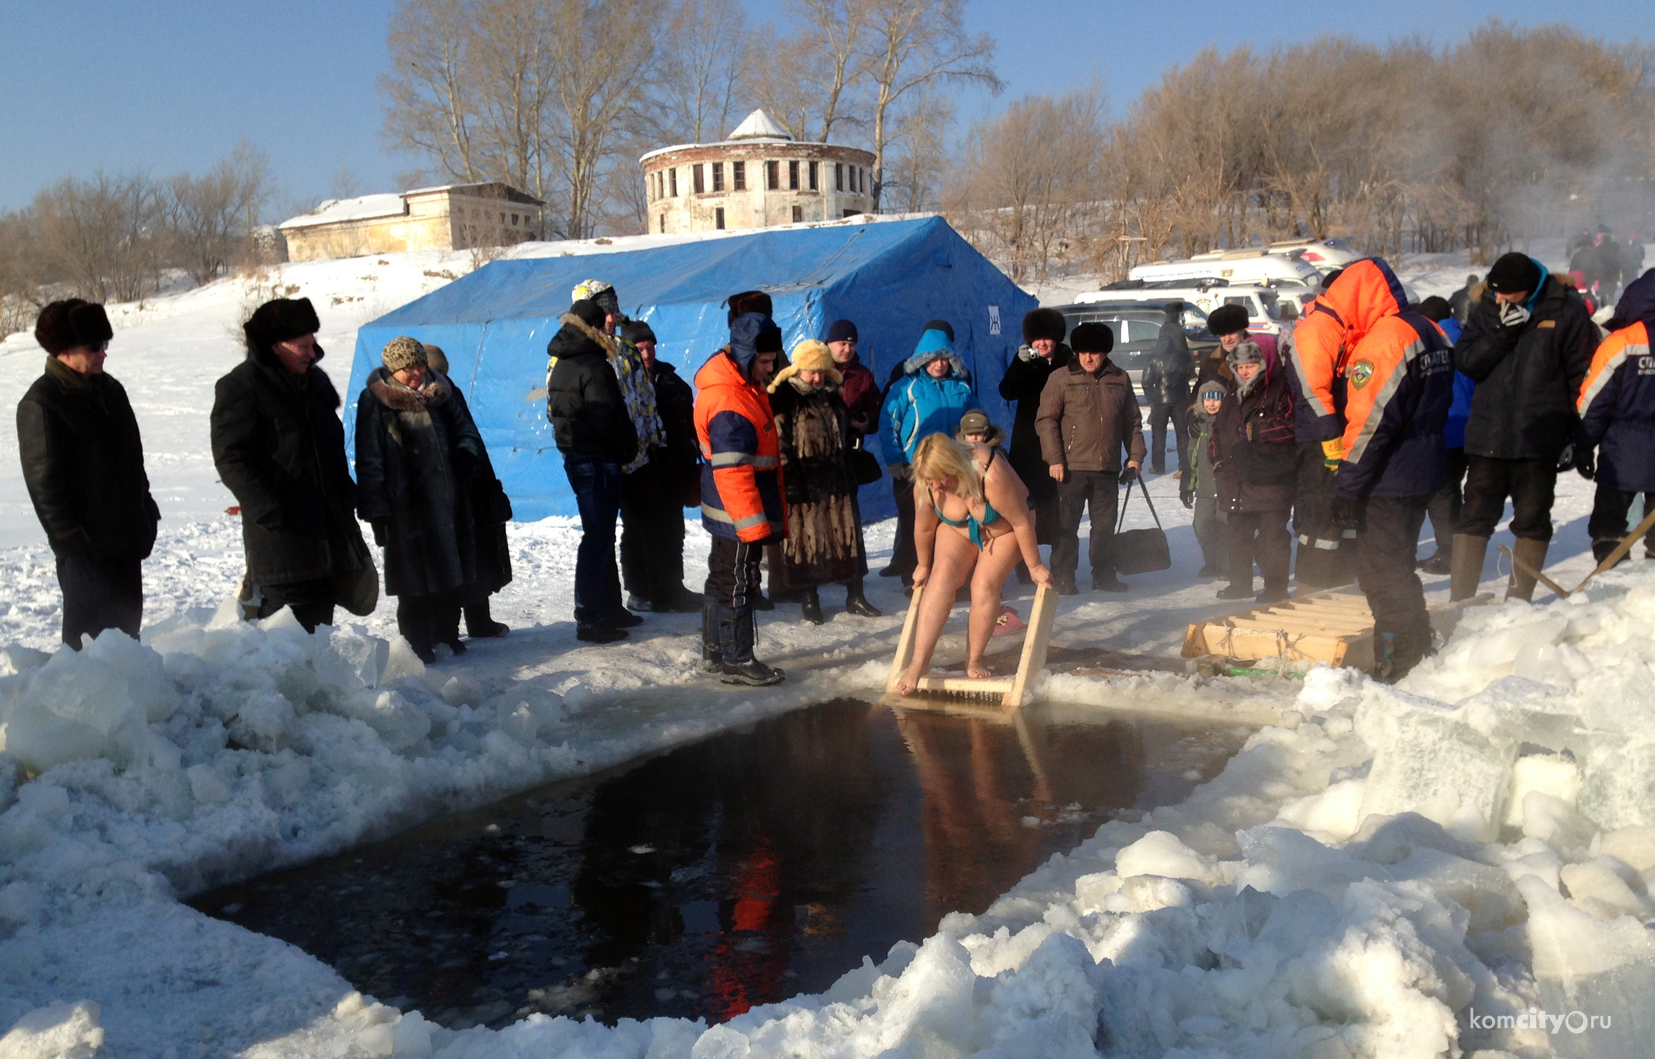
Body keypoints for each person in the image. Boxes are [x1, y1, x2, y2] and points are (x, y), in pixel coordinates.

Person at [1325, 266, 1455, 682]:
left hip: (1389, 478)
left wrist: (1347, 487)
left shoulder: (1383, 342)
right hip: (1425, 467)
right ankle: (1419, 646)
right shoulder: (1431, 329)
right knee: (1399, 566)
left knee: (1382, 574)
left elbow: (1369, 425)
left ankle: (1395, 662)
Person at [212, 297, 370, 633]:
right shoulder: (242, 387)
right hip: (282, 540)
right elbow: (231, 456)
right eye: (302, 346)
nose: (313, 353)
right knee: (284, 637)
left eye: (313, 343)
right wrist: (267, 508)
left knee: (319, 629)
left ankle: (317, 687)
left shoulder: (313, 384)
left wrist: (345, 493)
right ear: (274, 347)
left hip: (326, 534)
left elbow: (329, 451)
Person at [1450, 252, 1596, 602]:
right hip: (1489, 435)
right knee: (1475, 517)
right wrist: (1501, 333)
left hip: (1539, 436)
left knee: (1532, 518)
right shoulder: (1486, 307)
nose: (1498, 298)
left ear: (1527, 289)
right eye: (1495, 292)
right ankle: (1460, 601)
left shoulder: (1565, 309)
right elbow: (1467, 362)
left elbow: (1583, 378)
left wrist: (1581, 438)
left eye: (1507, 294)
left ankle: (1517, 603)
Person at [18, 299, 160, 647]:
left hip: (126, 541)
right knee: (88, 652)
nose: (103, 354)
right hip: (87, 551)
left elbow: (132, 462)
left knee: (126, 643)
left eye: (105, 344)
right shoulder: (42, 402)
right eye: (94, 346)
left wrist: (146, 512)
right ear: (64, 350)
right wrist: (71, 540)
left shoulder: (111, 391)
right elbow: (44, 484)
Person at [355, 338, 486, 662]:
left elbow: (466, 430)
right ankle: (417, 643)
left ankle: (447, 634)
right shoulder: (377, 402)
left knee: (451, 573)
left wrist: (466, 453)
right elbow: (369, 458)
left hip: (449, 500)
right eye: (407, 369)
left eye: (419, 365)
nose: (416, 373)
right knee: (413, 581)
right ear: (393, 370)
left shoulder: (441, 391)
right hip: (405, 506)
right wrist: (378, 508)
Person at [894, 434, 1054, 695]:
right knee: (940, 579)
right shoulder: (927, 485)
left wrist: (1035, 566)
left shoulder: (988, 472)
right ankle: (918, 663)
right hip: (959, 530)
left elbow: (1021, 521)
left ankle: (974, 659)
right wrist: (923, 565)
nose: (935, 486)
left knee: (984, 583)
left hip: (1005, 530)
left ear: (953, 466)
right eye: (928, 480)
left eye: (939, 478)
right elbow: (923, 530)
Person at [696, 312, 789, 685]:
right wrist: (752, 527)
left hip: (728, 507)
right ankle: (738, 659)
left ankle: (715, 650)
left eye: (771, 361)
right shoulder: (730, 401)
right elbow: (733, 471)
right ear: (746, 355)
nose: (769, 370)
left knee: (721, 576)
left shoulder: (738, 386)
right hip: (738, 509)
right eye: (764, 362)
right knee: (738, 579)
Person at [571, 279, 665, 620]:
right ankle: (600, 606)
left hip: (636, 455)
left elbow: (644, 398)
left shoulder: (624, 350)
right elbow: (567, 410)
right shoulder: (576, 355)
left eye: (612, 310)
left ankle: (638, 593)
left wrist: (655, 438)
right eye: (603, 311)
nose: (610, 318)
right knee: (602, 533)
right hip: (603, 456)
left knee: (642, 524)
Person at [767, 339, 880, 624]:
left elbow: (841, 429)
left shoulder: (832, 393)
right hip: (805, 481)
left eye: (821, 370)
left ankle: (856, 595)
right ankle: (809, 599)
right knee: (808, 540)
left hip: (838, 480)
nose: (817, 377)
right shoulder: (785, 396)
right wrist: (789, 477)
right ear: (798, 369)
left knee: (848, 537)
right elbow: (780, 442)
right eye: (810, 371)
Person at [546, 299, 639, 643]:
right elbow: (607, 417)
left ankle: (607, 608)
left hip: (578, 456)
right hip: (598, 458)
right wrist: (628, 445)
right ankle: (589, 615)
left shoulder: (563, 363)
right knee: (597, 538)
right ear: (594, 328)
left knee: (600, 536)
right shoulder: (592, 364)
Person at [1034, 321, 1145, 594]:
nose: (1088, 357)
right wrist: (1055, 459)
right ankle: (1063, 577)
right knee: (1065, 527)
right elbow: (1046, 420)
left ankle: (1104, 576)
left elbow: (1132, 421)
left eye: (1094, 352)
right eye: (1083, 352)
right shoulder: (1061, 378)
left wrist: (1135, 457)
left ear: (1105, 352)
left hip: (1106, 468)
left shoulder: (1120, 378)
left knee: (1104, 528)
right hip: (1070, 469)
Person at [420, 343, 512, 638]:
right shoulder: (423, 400)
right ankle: (447, 628)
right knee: (458, 557)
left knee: (479, 552)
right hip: (453, 488)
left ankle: (479, 619)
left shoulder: (450, 392)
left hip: (473, 482)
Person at [615, 320, 701, 613]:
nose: (648, 353)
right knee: (637, 531)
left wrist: (691, 448)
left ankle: (672, 587)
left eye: (651, 346)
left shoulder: (672, 381)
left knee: (672, 530)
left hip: (673, 469)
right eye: (640, 348)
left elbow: (688, 420)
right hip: (638, 470)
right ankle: (640, 591)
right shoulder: (621, 382)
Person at [880, 321, 972, 587]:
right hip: (914, 468)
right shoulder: (905, 387)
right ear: (922, 359)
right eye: (933, 358)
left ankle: (952, 578)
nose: (939, 364)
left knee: (953, 524)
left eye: (944, 358)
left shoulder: (962, 388)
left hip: (953, 469)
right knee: (916, 526)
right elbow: (889, 424)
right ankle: (915, 580)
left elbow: (975, 420)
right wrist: (896, 460)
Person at [1576, 269, 1655, 564]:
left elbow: (1595, 401)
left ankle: (1613, 584)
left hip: (1623, 455)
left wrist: (1583, 444)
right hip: (1628, 450)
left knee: (1609, 526)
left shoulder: (1621, 342)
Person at [1212, 340, 1296, 603]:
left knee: (1272, 538)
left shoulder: (1280, 389)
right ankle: (1240, 584)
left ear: (1263, 364)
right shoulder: (1231, 391)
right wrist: (1216, 460)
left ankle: (1275, 587)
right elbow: (1217, 430)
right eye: (1240, 366)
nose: (1245, 371)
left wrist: (1255, 431)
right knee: (1237, 536)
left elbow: (1292, 426)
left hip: (1270, 478)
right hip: (1235, 478)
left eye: (1251, 366)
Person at [999, 308, 1072, 568]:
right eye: (1036, 339)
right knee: (1026, 504)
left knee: (1059, 506)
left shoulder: (1068, 360)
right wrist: (1021, 364)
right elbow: (1007, 391)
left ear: (1057, 338)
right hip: (1027, 444)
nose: (1042, 344)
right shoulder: (1026, 360)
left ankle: (1061, 564)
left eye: (1047, 338)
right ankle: (1023, 562)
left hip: (1060, 442)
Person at [1414, 297, 1473, 576]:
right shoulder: (1469, 339)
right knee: (1452, 492)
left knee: (1441, 495)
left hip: (1443, 427)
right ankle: (1450, 550)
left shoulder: (1429, 342)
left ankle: (1451, 555)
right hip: (1469, 429)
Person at [1179, 379, 1229, 578]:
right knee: (1201, 526)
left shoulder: (1228, 424)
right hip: (1205, 489)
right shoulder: (1197, 426)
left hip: (1226, 488)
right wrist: (1187, 486)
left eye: (1217, 399)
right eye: (1207, 399)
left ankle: (1226, 566)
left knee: (1225, 529)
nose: (1212, 403)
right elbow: (1191, 459)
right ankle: (1211, 562)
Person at [1140, 302, 1195, 475]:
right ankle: (1184, 467)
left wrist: (1152, 398)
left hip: (1161, 400)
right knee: (1182, 434)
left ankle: (1158, 466)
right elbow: (1190, 372)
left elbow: (1146, 381)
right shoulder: (1182, 347)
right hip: (1180, 397)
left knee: (1158, 434)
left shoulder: (1155, 357)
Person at [826, 319, 880, 440]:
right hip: (819, 447)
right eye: (843, 343)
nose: (847, 349)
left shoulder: (863, 375)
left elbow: (876, 407)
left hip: (850, 446)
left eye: (852, 345)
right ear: (830, 343)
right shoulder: (816, 369)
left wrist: (867, 421)